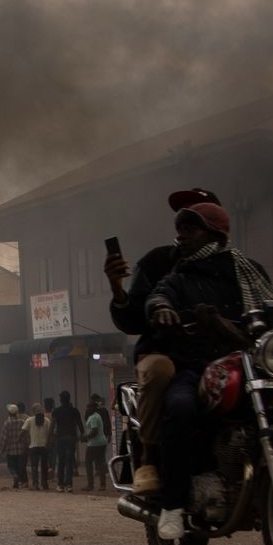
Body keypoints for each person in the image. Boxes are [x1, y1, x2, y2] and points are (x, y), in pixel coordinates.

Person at [146, 200, 273, 542]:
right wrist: (162, 307)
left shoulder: (249, 271)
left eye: (190, 230)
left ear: (215, 233)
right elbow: (159, 295)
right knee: (179, 407)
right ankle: (173, 505)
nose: (182, 238)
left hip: (249, 362)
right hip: (195, 366)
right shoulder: (180, 276)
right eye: (180, 231)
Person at [107, 188, 225, 497]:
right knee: (163, 375)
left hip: (220, 354)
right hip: (166, 352)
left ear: (215, 225)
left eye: (195, 218)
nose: (184, 228)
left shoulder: (235, 267)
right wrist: (117, 288)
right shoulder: (160, 263)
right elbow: (133, 318)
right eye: (182, 218)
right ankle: (150, 460)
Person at [51, 390, 83, 491]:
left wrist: (49, 438)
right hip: (71, 438)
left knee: (61, 461)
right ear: (69, 399)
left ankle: (60, 484)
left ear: (60, 400)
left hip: (60, 438)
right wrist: (82, 435)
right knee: (69, 462)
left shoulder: (56, 411)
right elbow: (80, 425)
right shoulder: (75, 411)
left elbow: (52, 425)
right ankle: (69, 485)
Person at [82, 394, 109, 491]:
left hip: (94, 444)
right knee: (100, 463)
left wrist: (85, 437)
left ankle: (90, 485)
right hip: (102, 443)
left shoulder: (93, 417)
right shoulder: (97, 415)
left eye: (89, 407)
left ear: (93, 408)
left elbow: (94, 431)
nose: (87, 409)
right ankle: (102, 485)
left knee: (88, 463)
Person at [0, 404, 29, 488]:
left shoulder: (7, 423)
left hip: (10, 450)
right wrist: (27, 446)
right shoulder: (22, 422)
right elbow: (26, 435)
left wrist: (1, 450)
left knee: (11, 466)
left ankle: (15, 475)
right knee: (21, 466)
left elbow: (4, 438)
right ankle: (23, 481)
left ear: (8, 413)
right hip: (21, 449)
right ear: (17, 412)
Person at [25, 402, 51, 490]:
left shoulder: (29, 420)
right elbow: (51, 433)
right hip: (44, 446)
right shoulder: (47, 421)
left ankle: (36, 483)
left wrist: (21, 439)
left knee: (34, 466)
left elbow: (23, 430)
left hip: (33, 447)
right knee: (44, 466)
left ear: (33, 411)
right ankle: (44, 483)